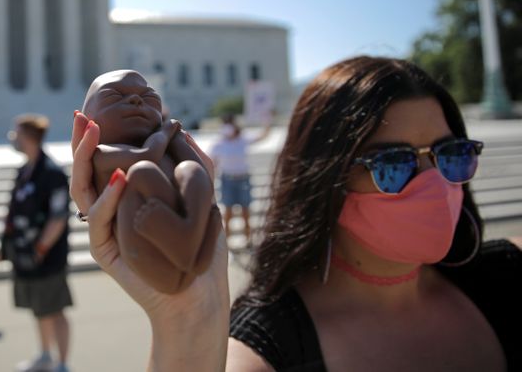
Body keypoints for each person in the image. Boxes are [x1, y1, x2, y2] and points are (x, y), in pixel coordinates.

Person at [70, 56, 521, 371]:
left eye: (451, 154)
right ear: (324, 178)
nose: (433, 182)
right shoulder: (270, 348)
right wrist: (187, 316)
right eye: (393, 164)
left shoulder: (506, 274)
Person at [3, 114, 72, 372]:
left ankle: (63, 363)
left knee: (55, 309)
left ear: (29, 137)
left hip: (47, 257)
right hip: (25, 255)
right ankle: (45, 355)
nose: (13, 138)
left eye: (16, 133)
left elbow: (58, 216)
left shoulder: (52, 173)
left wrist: (41, 247)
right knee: (39, 308)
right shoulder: (25, 170)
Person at [208, 115, 271, 242]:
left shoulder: (243, 139)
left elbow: (263, 136)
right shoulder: (218, 143)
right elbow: (212, 163)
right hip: (227, 180)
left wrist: (267, 121)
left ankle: (248, 240)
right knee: (228, 213)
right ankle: (227, 242)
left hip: (243, 180)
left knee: (246, 213)